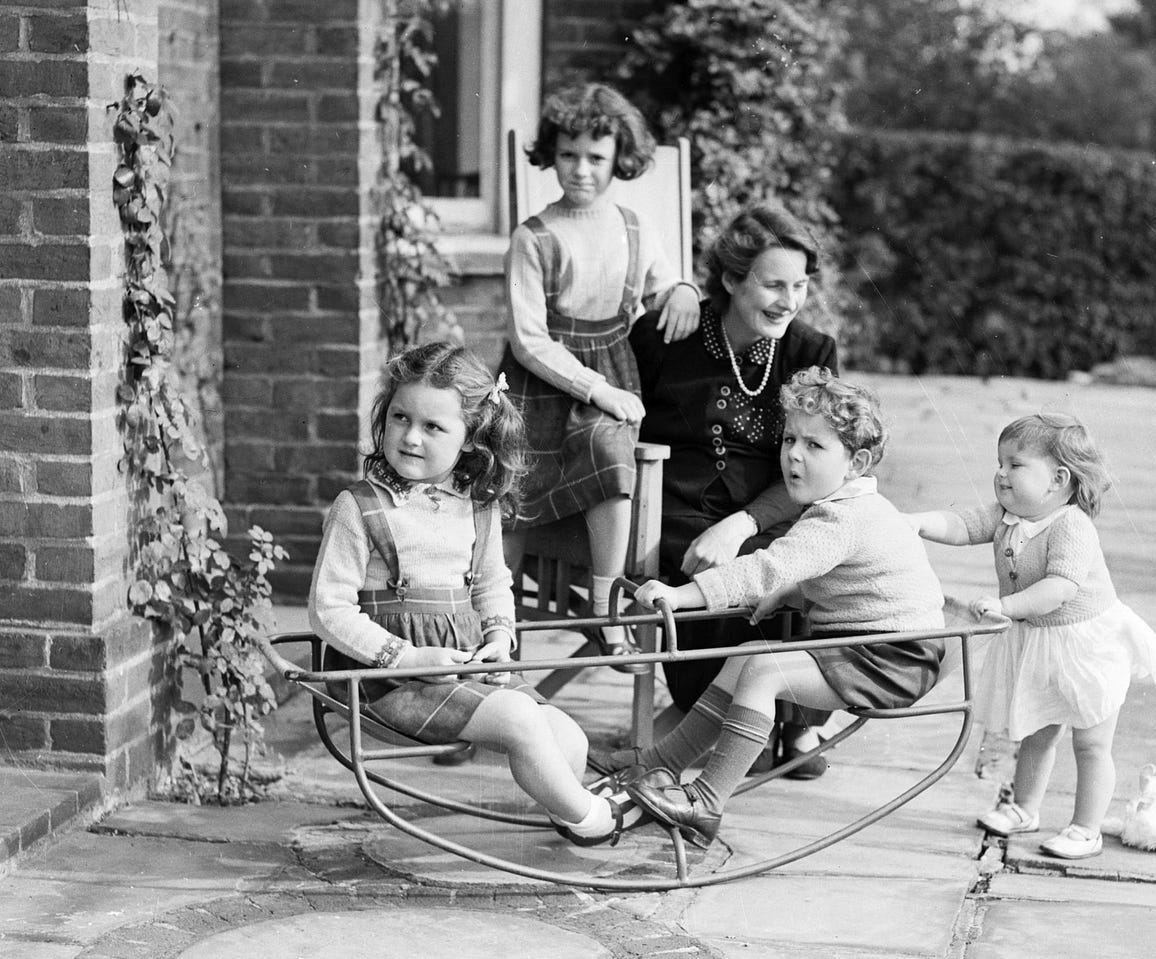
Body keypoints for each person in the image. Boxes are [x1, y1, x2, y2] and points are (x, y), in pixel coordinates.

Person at [309, 343, 630, 846]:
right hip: (388, 684)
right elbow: (328, 609)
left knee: (570, 736)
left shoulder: (475, 504)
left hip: (462, 666)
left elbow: (492, 584)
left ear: (471, 439)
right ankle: (597, 819)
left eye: (433, 427)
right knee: (520, 718)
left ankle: (566, 812)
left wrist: (500, 638)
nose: (411, 437)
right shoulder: (361, 508)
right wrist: (409, 656)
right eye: (400, 418)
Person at [616, 368, 947, 847]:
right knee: (748, 653)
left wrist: (682, 594)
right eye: (790, 438)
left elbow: (765, 568)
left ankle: (706, 802)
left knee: (764, 669)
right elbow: (847, 579)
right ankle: (660, 762)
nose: (794, 454)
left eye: (815, 446)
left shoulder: (841, 518)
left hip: (893, 656)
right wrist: (791, 593)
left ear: (857, 462)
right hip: (869, 644)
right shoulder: (843, 509)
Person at [628, 204, 838, 775]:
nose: (788, 300)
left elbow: (820, 462)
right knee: (707, 568)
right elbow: (624, 417)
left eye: (798, 285)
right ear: (729, 280)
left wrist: (744, 521)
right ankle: (722, 715)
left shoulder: (809, 352)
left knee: (806, 562)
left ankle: (793, 721)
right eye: (772, 284)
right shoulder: (672, 333)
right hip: (673, 504)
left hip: (772, 502)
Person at [906, 413, 1156, 859]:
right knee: (1037, 730)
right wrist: (915, 522)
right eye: (999, 462)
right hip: (1040, 643)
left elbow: (1059, 589)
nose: (1001, 473)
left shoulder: (1072, 527)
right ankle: (1025, 808)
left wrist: (1007, 607)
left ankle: (1085, 828)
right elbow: (962, 524)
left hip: (1086, 645)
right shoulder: (1007, 515)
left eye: (1015, 464)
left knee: (1090, 741)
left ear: (1059, 479)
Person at [500, 81, 701, 666]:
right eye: (568, 155)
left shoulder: (633, 227)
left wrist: (684, 289)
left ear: (619, 159)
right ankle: (498, 627)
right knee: (510, 485)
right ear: (551, 155)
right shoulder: (533, 236)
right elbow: (529, 339)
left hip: (613, 369)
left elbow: (668, 283)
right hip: (540, 380)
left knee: (615, 460)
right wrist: (599, 390)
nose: (580, 170)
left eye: (596, 157)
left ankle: (604, 605)